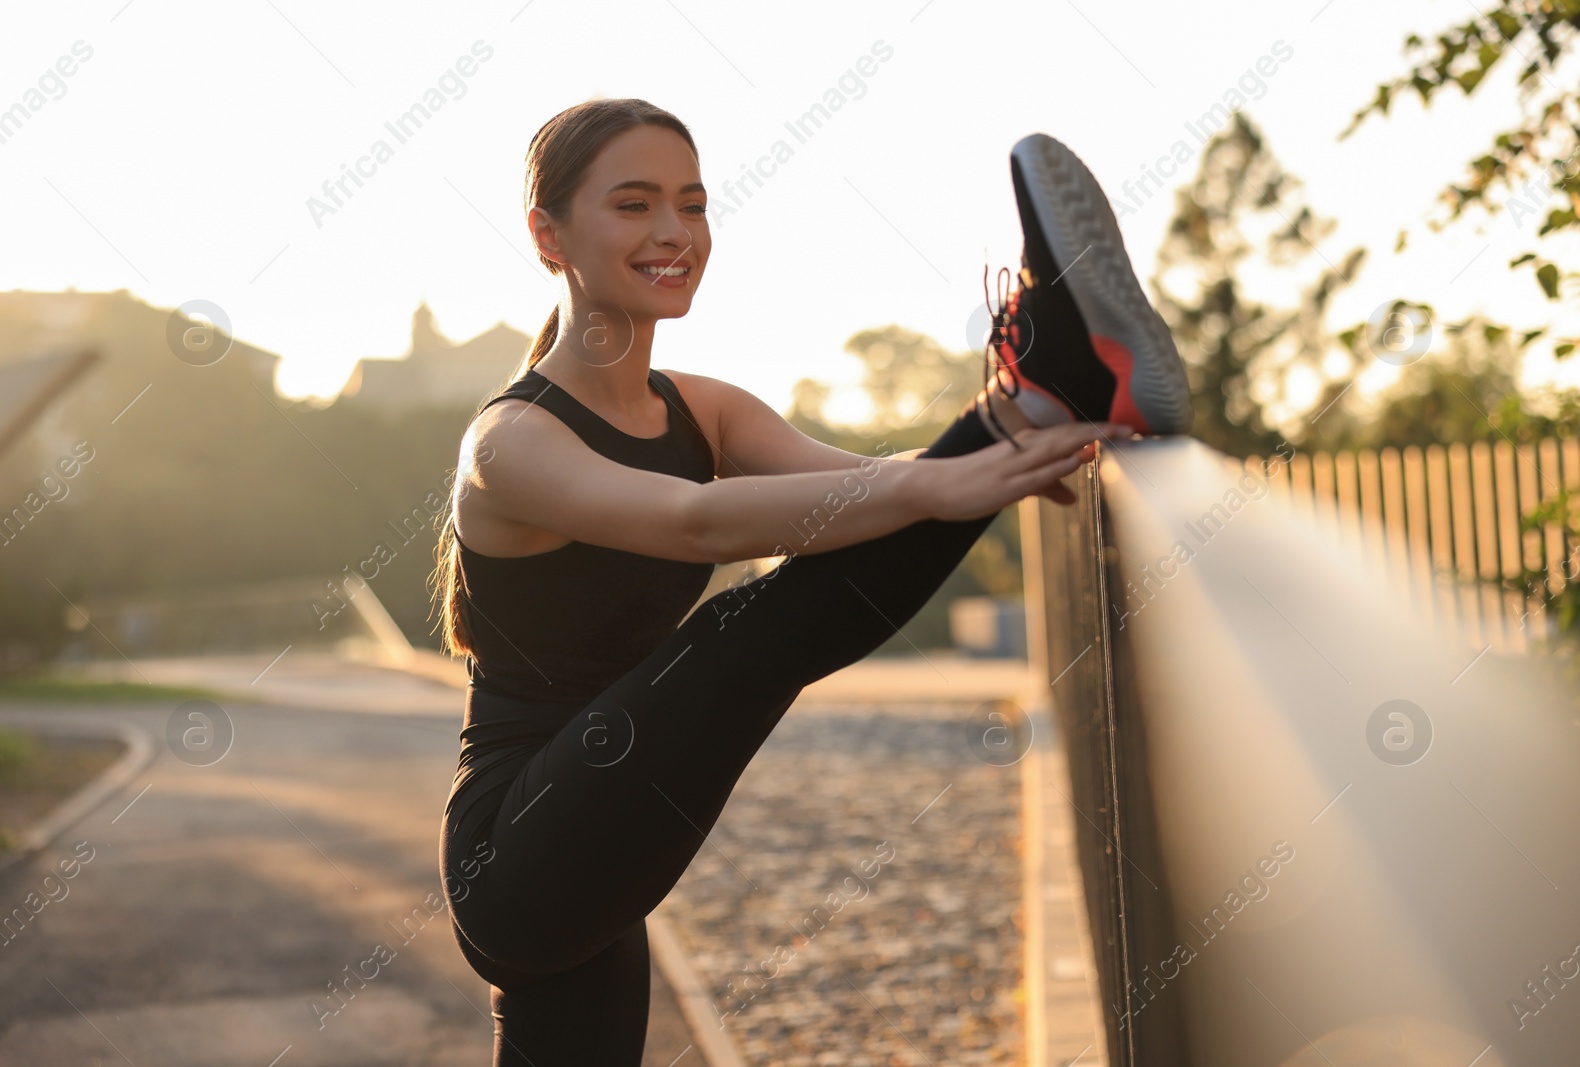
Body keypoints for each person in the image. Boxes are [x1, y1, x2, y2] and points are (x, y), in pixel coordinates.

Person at [432, 97, 1190, 1065]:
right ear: (548, 235)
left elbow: (868, 493)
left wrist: (999, 455)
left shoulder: (704, 411)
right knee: (744, 633)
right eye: (632, 204)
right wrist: (969, 459)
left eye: (692, 204)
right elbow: (692, 521)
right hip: (522, 843)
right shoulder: (510, 440)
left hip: (612, 810)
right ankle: (1047, 375)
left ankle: (1043, 390)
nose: (672, 231)